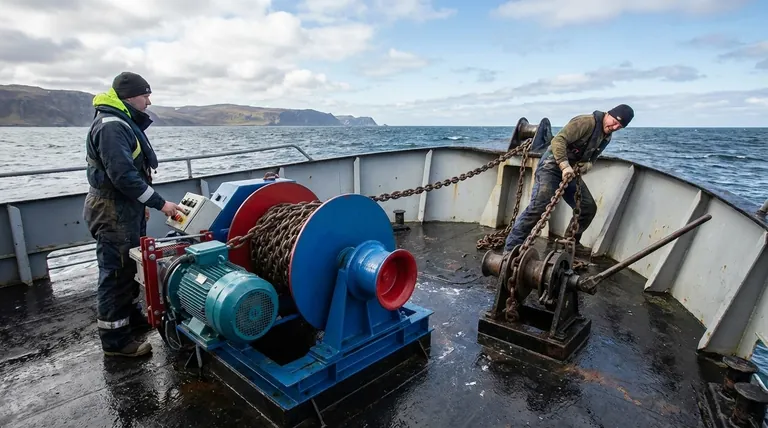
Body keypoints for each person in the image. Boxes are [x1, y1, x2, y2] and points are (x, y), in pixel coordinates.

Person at [83, 72, 180, 357]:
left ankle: (131, 319)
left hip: (124, 207)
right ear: (130, 96)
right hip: (113, 210)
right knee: (116, 274)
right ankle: (116, 342)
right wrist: (161, 204)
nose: (149, 101)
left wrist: (140, 207)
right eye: (145, 95)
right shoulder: (112, 126)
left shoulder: (119, 119)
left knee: (129, 267)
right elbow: (123, 176)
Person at [503, 104, 634, 255]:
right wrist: (564, 166)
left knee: (587, 207)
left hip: (570, 172)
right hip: (551, 167)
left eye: (619, 126)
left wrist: (588, 165)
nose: (615, 126)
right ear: (609, 114)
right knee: (539, 207)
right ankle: (511, 249)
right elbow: (558, 141)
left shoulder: (606, 136)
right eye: (614, 121)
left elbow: (592, 157)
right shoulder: (586, 122)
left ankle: (570, 242)